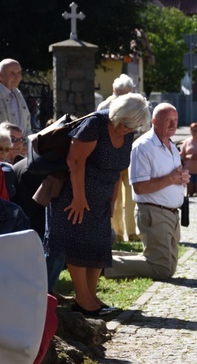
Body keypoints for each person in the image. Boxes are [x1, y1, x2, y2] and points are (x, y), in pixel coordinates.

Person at [45, 93, 150, 316]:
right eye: (126, 125)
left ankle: (91, 297)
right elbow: (75, 161)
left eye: (132, 127)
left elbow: (117, 169)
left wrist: (112, 200)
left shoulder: (128, 131)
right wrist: (79, 197)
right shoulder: (95, 124)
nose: (128, 130)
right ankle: (82, 299)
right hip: (76, 195)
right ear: (118, 115)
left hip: (102, 197)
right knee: (77, 243)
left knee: (97, 246)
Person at [104, 103, 189, 281]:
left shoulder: (172, 146)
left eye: (176, 120)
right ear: (155, 122)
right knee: (162, 269)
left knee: (168, 266)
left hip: (171, 214)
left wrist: (182, 178)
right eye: (168, 121)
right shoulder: (143, 146)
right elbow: (140, 187)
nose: (173, 125)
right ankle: (101, 265)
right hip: (154, 211)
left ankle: (102, 257)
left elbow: (173, 175)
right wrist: (172, 179)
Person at [98, 74, 139, 242]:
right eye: (122, 93)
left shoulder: (135, 104)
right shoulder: (105, 106)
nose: (125, 97)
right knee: (114, 198)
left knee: (131, 199)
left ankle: (132, 232)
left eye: (128, 93)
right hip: (111, 157)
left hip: (130, 156)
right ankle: (118, 233)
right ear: (115, 91)